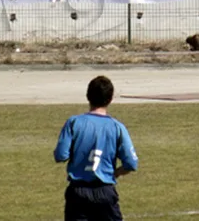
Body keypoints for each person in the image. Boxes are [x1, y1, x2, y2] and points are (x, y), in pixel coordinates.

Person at [54, 75, 138, 221]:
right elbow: (131, 163)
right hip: (104, 190)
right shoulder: (117, 127)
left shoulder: (74, 123)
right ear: (110, 99)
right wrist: (116, 173)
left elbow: (61, 155)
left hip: (78, 192)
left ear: (88, 96)